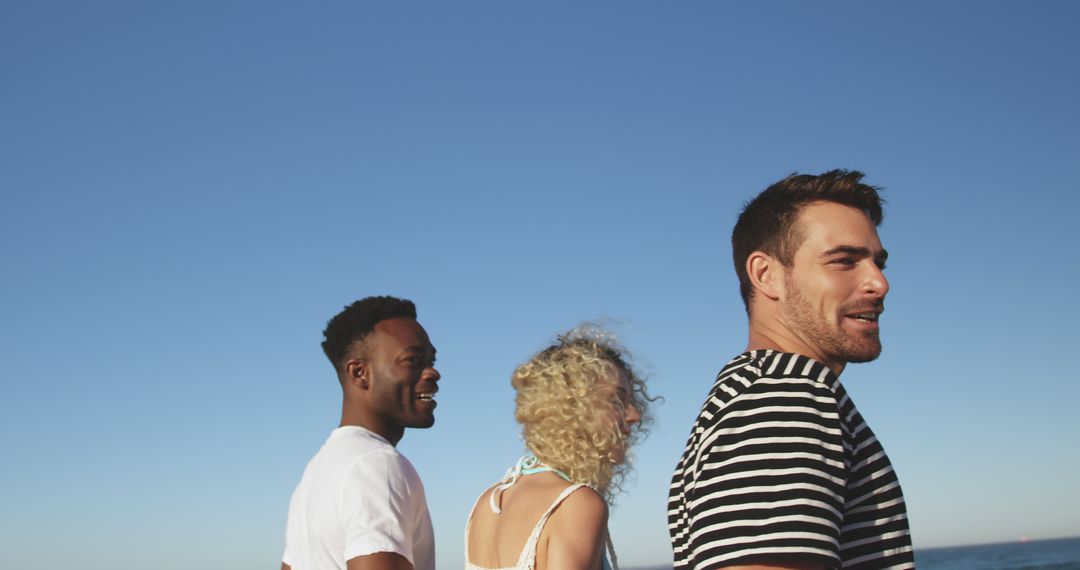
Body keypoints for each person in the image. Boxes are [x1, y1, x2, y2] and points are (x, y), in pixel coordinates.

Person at [668, 171, 915, 569]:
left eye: (878, 263)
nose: (879, 282)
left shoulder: (760, 390)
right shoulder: (785, 396)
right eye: (843, 261)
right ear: (767, 275)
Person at [465, 326, 656, 570]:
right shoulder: (577, 504)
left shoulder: (489, 502)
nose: (634, 415)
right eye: (616, 400)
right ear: (570, 406)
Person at [282, 296, 440, 570]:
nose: (433, 373)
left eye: (431, 359)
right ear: (359, 372)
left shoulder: (316, 472)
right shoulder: (377, 463)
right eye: (413, 360)